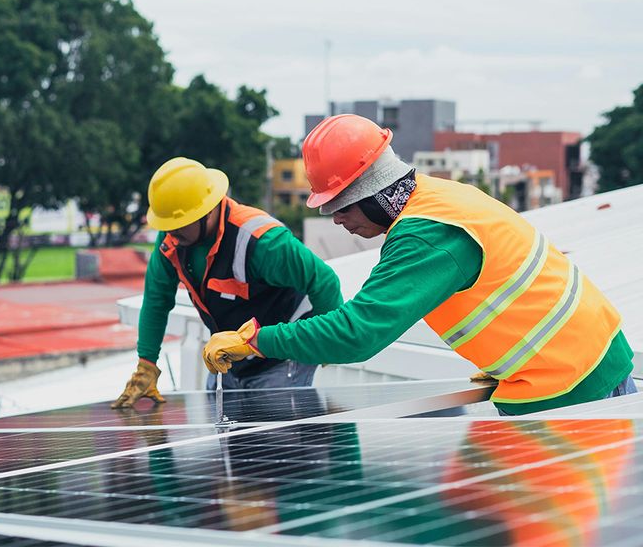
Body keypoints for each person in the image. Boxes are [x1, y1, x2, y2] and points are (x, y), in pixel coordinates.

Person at [202, 114, 635, 416]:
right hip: (583, 359)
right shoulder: (438, 196)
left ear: (370, 191)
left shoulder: (426, 235)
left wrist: (256, 340)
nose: (336, 219)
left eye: (339, 205)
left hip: (570, 382)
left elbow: (359, 333)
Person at [111, 157, 343, 408]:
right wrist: (146, 364)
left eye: (178, 225)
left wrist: (326, 343)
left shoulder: (262, 241)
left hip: (281, 357)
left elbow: (324, 281)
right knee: (229, 437)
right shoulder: (172, 243)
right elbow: (156, 301)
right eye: (167, 226)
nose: (171, 233)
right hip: (229, 357)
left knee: (274, 437)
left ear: (207, 211)